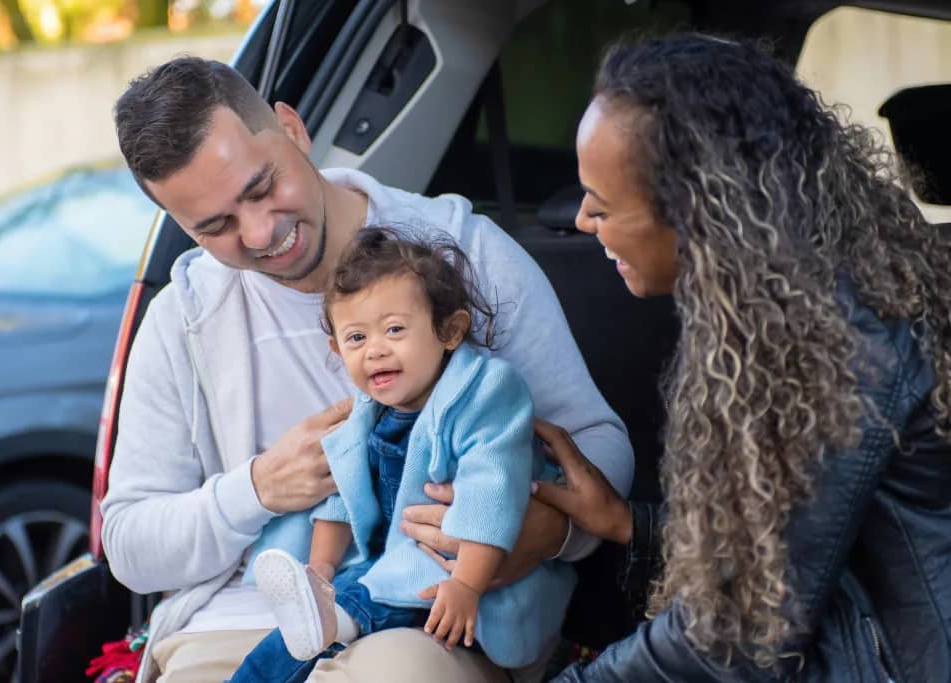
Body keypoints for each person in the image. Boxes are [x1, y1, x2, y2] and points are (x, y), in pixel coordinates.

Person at [102, 56, 634, 683]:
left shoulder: (464, 249)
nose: (261, 232)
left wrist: (542, 531)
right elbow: (129, 544)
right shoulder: (183, 318)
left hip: (433, 614)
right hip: (239, 618)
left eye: (262, 187)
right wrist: (258, 489)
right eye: (215, 226)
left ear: (293, 129)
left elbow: (597, 446)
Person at [523, 34, 951, 681]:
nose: (583, 220)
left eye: (603, 204)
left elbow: (737, 636)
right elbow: (796, 544)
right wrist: (626, 524)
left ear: (696, 209)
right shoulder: (794, 302)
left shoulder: (834, 341)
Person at [229, 228, 574, 683]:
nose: (375, 350)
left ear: (449, 331)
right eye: (356, 339)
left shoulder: (485, 394)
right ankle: (313, 623)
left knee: (356, 604)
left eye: (394, 329)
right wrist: (320, 570)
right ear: (336, 349)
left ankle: (336, 620)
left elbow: (492, 493)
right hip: (389, 564)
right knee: (295, 637)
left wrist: (467, 585)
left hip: (459, 573)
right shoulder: (369, 412)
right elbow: (342, 496)